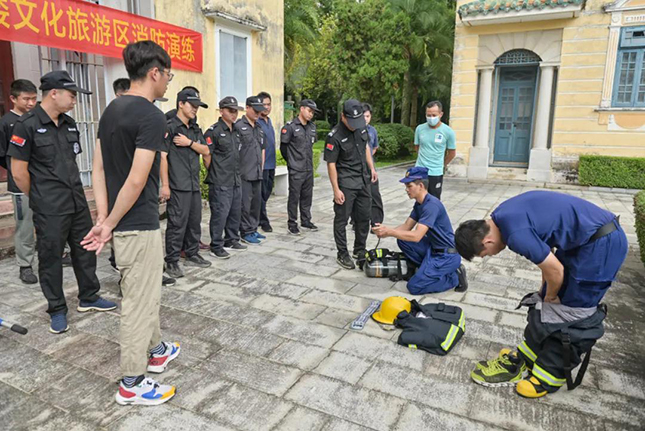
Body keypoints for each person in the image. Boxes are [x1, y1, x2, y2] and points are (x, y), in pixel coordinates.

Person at [455, 190, 628, 398]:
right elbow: (548, 257)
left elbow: (556, 270)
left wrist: (551, 296)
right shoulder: (501, 215)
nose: (489, 256)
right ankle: (532, 354)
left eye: (484, 255)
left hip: (602, 244)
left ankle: (550, 376)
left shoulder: (515, 235)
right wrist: (545, 290)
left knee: (571, 309)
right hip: (582, 240)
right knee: (547, 297)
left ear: (487, 243)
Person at [82, 41, 179, 406]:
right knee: (139, 302)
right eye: (167, 75)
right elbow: (137, 180)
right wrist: (108, 223)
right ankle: (132, 383)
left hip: (122, 222)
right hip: (138, 224)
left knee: (143, 292)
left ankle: (157, 350)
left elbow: (98, 169)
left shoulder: (112, 109)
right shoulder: (152, 116)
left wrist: (104, 217)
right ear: (154, 72)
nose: (168, 81)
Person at [8, 70, 116, 334]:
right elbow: (19, 172)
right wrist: (40, 197)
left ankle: (89, 296)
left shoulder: (69, 123)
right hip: (50, 206)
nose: (75, 100)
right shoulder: (27, 124)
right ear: (54, 93)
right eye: (72, 95)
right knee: (51, 258)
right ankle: (56, 309)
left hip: (76, 201)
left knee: (85, 251)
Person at [107, 77, 175, 287]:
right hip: (123, 193)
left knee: (142, 245)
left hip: (145, 194)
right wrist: (106, 220)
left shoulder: (148, 118)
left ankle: (152, 272)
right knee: (126, 242)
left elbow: (159, 156)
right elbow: (103, 166)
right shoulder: (112, 118)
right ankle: (124, 277)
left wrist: (163, 184)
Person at [373, 166, 467, 294]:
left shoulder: (431, 206)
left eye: (409, 186)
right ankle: (426, 270)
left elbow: (417, 236)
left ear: (421, 186)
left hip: (446, 256)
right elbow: (406, 226)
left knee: (414, 287)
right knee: (402, 240)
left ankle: (454, 277)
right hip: (433, 249)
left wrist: (390, 232)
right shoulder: (419, 204)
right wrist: (385, 232)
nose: (406, 190)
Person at [161, 88, 212, 278]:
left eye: (198, 106)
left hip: (193, 183)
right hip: (177, 184)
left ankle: (192, 253)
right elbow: (162, 157)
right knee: (176, 224)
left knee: (194, 221)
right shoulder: (170, 127)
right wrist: (165, 185)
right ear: (181, 104)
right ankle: (172, 260)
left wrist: (189, 143)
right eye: (192, 105)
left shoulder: (195, 128)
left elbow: (206, 150)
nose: (195, 109)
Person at [324, 99, 378, 269]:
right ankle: (342, 253)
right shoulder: (334, 136)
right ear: (343, 116)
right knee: (342, 219)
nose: (355, 125)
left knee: (364, 217)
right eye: (351, 121)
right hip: (346, 182)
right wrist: (336, 190)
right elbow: (331, 164)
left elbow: (366, 147)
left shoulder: (361, 127)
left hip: (363, 179)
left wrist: (372, 167)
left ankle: (359, 249)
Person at [0, 79, 38, 284]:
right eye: (26, 99)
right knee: (25, 225)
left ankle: (61, 253)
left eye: (34, 98)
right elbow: (2, 155)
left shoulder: (38, 118)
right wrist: (17, 172)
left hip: (43, 182)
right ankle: (25, 265)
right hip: (19, 185)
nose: (31, 103)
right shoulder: (6, 123)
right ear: (13, 99)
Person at [204, 96, 247, 259]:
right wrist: (216, 171)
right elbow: (207, 155)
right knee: (220, 214)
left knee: (235, 211)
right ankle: (216, 245)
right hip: (220, 180)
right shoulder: (214, 131)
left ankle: (231, 239)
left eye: (236, 111)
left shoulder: (236, 131)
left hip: (235, 178)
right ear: (221, 111)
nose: (234, 114)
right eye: (230, 110)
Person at [280, 99, 319, 235]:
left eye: (313, 112)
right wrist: (292, 161)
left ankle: (306, 220)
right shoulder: (290, 127)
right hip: (296, 168)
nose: (311, 114)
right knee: (294, 197)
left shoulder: (312, 127)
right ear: (302, 109)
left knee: (307, 196)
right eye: (309, 111)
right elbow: (284, 148)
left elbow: (311, 145)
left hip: (308, 168)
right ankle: (292, 223)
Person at [236, 96, 266, 245]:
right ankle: (245, 232)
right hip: (244, 173)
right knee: (245, 205)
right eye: (255, 110)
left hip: (257, 172)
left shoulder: (259, 128)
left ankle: (253, 229)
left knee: (256, 204)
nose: (258, 114)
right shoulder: (238, 126)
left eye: (260, 111)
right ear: (247, 108)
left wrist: (261, 167)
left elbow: (262, 149)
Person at [413, 101, 456, 200]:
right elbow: (417, 147)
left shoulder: (448, 131)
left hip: (435, 172)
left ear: (441, 114)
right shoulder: (420, 129)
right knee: (419, 199)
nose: (431, 118)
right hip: (420, 171)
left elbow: (452, 153)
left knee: (434, 199)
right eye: (428, 115)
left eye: (434, 115)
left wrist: (442, 164)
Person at [257, 91, 276, 233]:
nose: (267, 107)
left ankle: (258, 217)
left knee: (267, 192)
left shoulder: (269, 122)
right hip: (262, 165)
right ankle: (263, 221)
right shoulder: (256, 123)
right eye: (264, 104)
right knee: (261, 194)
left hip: (271, 163)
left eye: (269, 104)